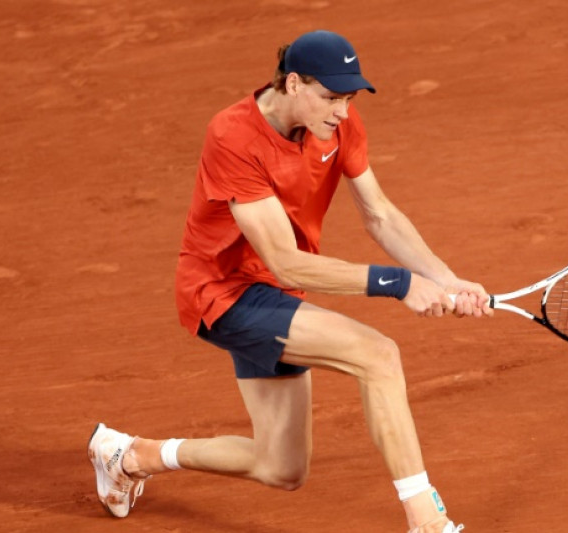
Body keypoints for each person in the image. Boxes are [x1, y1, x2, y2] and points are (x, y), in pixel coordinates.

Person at [87, 30, 491, 533]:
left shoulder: (337, 122)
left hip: (275, 295)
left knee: (281, 467)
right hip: (224, 294)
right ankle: (427, 520)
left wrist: (446, 279)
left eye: (349, 99)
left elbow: (380, 215)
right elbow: (285, 262)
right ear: (294, 83)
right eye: (331, 98)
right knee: (378, 355)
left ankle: (129, 456)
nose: (342, 112)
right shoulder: (234, 136)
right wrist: (398, 282)